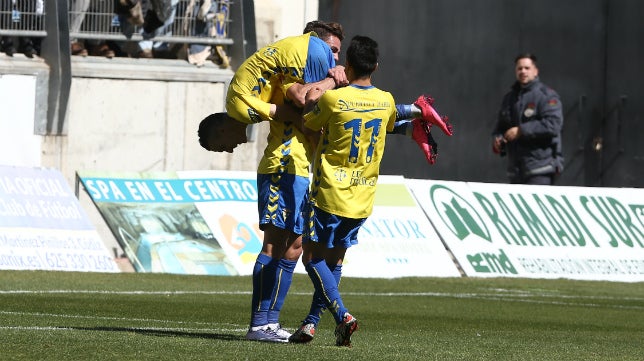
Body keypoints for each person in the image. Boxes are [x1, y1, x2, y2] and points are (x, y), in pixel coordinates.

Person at [198, 21, 452, 344]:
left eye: (337, 54)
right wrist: (331, 82)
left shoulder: (292, 80)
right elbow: (305, 108)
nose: (333, 61)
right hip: (285, 167)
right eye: (329, 52)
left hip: (306, 172)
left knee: (294, 248)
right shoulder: (287, 88)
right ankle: (262, 323)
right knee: (277, 246)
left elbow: (339, 113)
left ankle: (279, 323)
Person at [289, 34, 396, 347]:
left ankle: (342, 315)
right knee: (334, 262)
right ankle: (310, 324)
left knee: (311, 258)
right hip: (362, 196)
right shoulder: (386, 100)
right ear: (375, 65)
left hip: (329, 192)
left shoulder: (334, 99)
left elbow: (309, 121)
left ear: (346, 66)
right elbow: (391, 123)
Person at [492, 53, 563, 185]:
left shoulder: (546, 96)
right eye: (519, 68)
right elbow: (500, 127)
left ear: (535, 71)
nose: (523, 71)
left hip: (540, 169)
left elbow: (553, 125)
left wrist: (521, 130)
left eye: (527, 68)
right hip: (516, 171)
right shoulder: (510, 98)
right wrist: (498, 139)